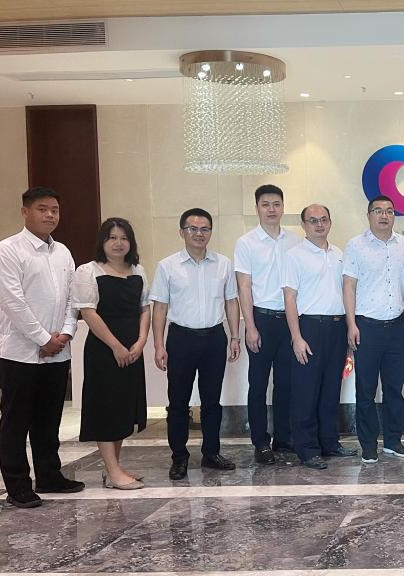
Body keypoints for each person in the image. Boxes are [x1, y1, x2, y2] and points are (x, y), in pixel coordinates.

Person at [0, 186, 83, 508]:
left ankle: (49, 475)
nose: (50, 215)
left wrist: (65, 334)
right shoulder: (7, 250)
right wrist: (44, 339)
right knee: (16, 423)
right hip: (19, 354)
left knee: (48, 420)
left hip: (57, 353)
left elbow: (73, 299)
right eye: (42, 209)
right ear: (25, 212)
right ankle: (17, 485)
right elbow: (12, 303)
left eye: (54, 210)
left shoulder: (63, 253)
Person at [151, 208, 241, 481]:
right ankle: (179, 457)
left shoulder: (223, 264)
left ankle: (211, 453)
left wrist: (235, 336)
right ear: (182, 232)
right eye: (193, 229)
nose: (199, 234)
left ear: (210, 232)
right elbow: (160, 307)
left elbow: (231, 301)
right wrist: (158, 345)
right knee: (178, 402)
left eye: (204, 229)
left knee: (212, 401)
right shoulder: (167, 266)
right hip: (181, 339)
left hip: (214, 338)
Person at [73, 218, 151, 490]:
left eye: (124, 238)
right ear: (102, 242)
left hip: (132, 349)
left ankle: (114, 467)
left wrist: (141, 341)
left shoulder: (138, 270)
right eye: (112, 238)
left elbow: (144, 308)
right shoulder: (88, 271)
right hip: (104, 350)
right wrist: (116, 346)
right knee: (106, 407)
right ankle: (113, 471)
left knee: (123, 407)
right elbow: (88, 312)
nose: (118, 243)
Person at [282, 204, 355, 470]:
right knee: (306, 391)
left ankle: (329, 442)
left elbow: (347, 292)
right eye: (313, 221)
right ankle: (307, 449)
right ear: (303, 225)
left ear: (330, 222)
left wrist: (349, 327)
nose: (319, 225)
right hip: (309, 327)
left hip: (337, 327)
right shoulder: (294, 255)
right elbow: (289, 298)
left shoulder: (339, 254)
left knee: (330, 389)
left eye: (323, 219)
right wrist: (296, 337)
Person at [234, 185, 301, 464]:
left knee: (286, 383)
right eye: (265, 204)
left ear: (283, 207)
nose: (271, 209)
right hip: (261, 319)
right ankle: (261, 442)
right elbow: (244, 286)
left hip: (289, 321)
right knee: (258, 384)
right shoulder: (246, 243)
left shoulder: (295, 241)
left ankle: (283, 438)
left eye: (276, 204)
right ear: (257, 208)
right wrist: (250, 326)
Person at [344, 195, 404, 463]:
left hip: (397, 326)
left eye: (389, 211)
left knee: (394, 389)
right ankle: (369, 444)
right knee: (366, 390)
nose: (384, 216)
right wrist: (351, 324)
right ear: (369, 215)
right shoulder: (355, 245)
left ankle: (393, 441)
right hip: (367, 327)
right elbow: (349, 286)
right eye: (378, 211)